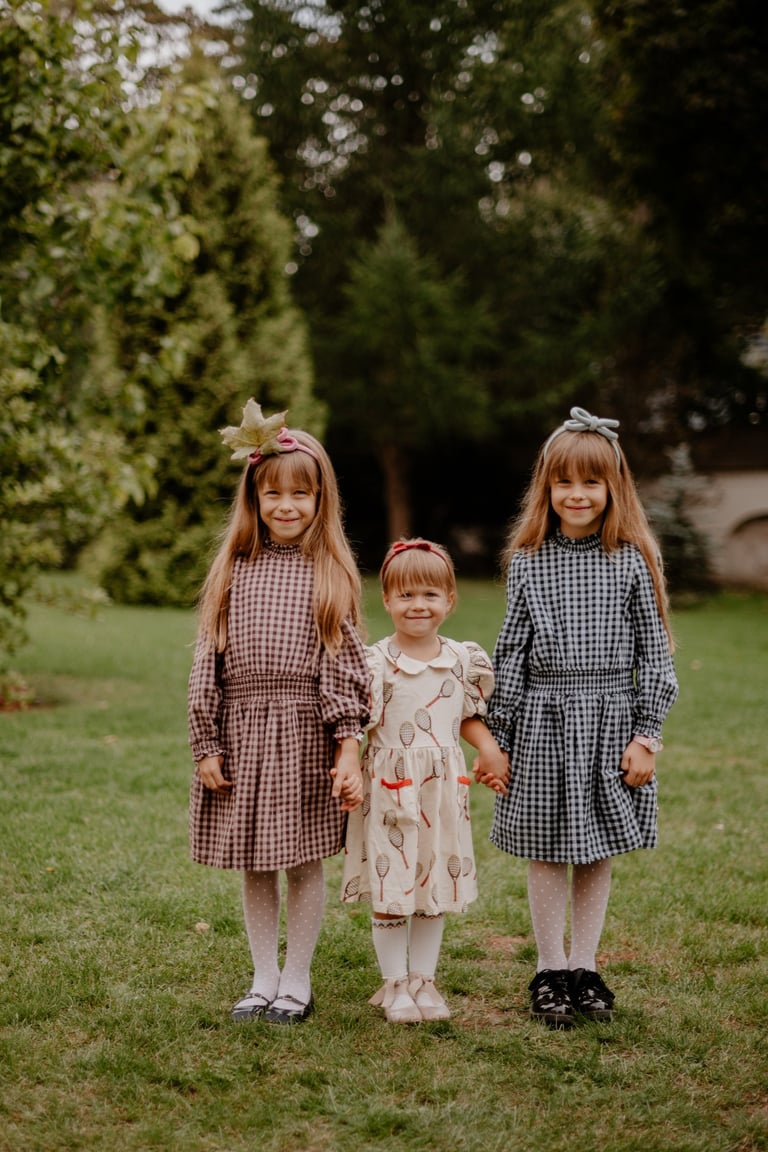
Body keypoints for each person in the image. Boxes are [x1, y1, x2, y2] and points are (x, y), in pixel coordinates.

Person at [485, 406, 678, 1028]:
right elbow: (511, 654)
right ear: (545, 487)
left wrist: (646, 735)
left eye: (591, 482)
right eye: (563, 481)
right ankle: (549, 970)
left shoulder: (631, 559)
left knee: (595, 849)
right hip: (542, 722)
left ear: (613, 487)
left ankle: (584, 967)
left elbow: (656, 655)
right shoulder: (527, 560)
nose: (576, 494)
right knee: (546, 846)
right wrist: (499, 737)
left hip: (610, 722)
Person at [188, 399, 369, 1025]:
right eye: (273, 494)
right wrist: (206, 742)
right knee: (254, 861)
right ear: (254, 498)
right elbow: (206, 662)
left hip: (303, 734)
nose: (286, 505)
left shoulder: (330, 574)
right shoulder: (231, 570)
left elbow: (345, 671)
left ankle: (297, 979)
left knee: (301, 859)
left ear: (321, 499)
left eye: (300, 494)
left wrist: (348, 745)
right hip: (241, 731)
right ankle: (263, 975)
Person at [341, 539, 510, 1023]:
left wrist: (489, 749)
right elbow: (357, 724)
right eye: (406, 595)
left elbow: (466, 715)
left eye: (430, 595)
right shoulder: (376, 662)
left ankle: (424, 980)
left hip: (440, 790)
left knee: (433, 885)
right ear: (387, 600)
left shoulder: (461, 659)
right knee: (393, 886)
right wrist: (348, 763)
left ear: (450, 600)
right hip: (391, 791)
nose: (419, 605)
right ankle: (395, 983)